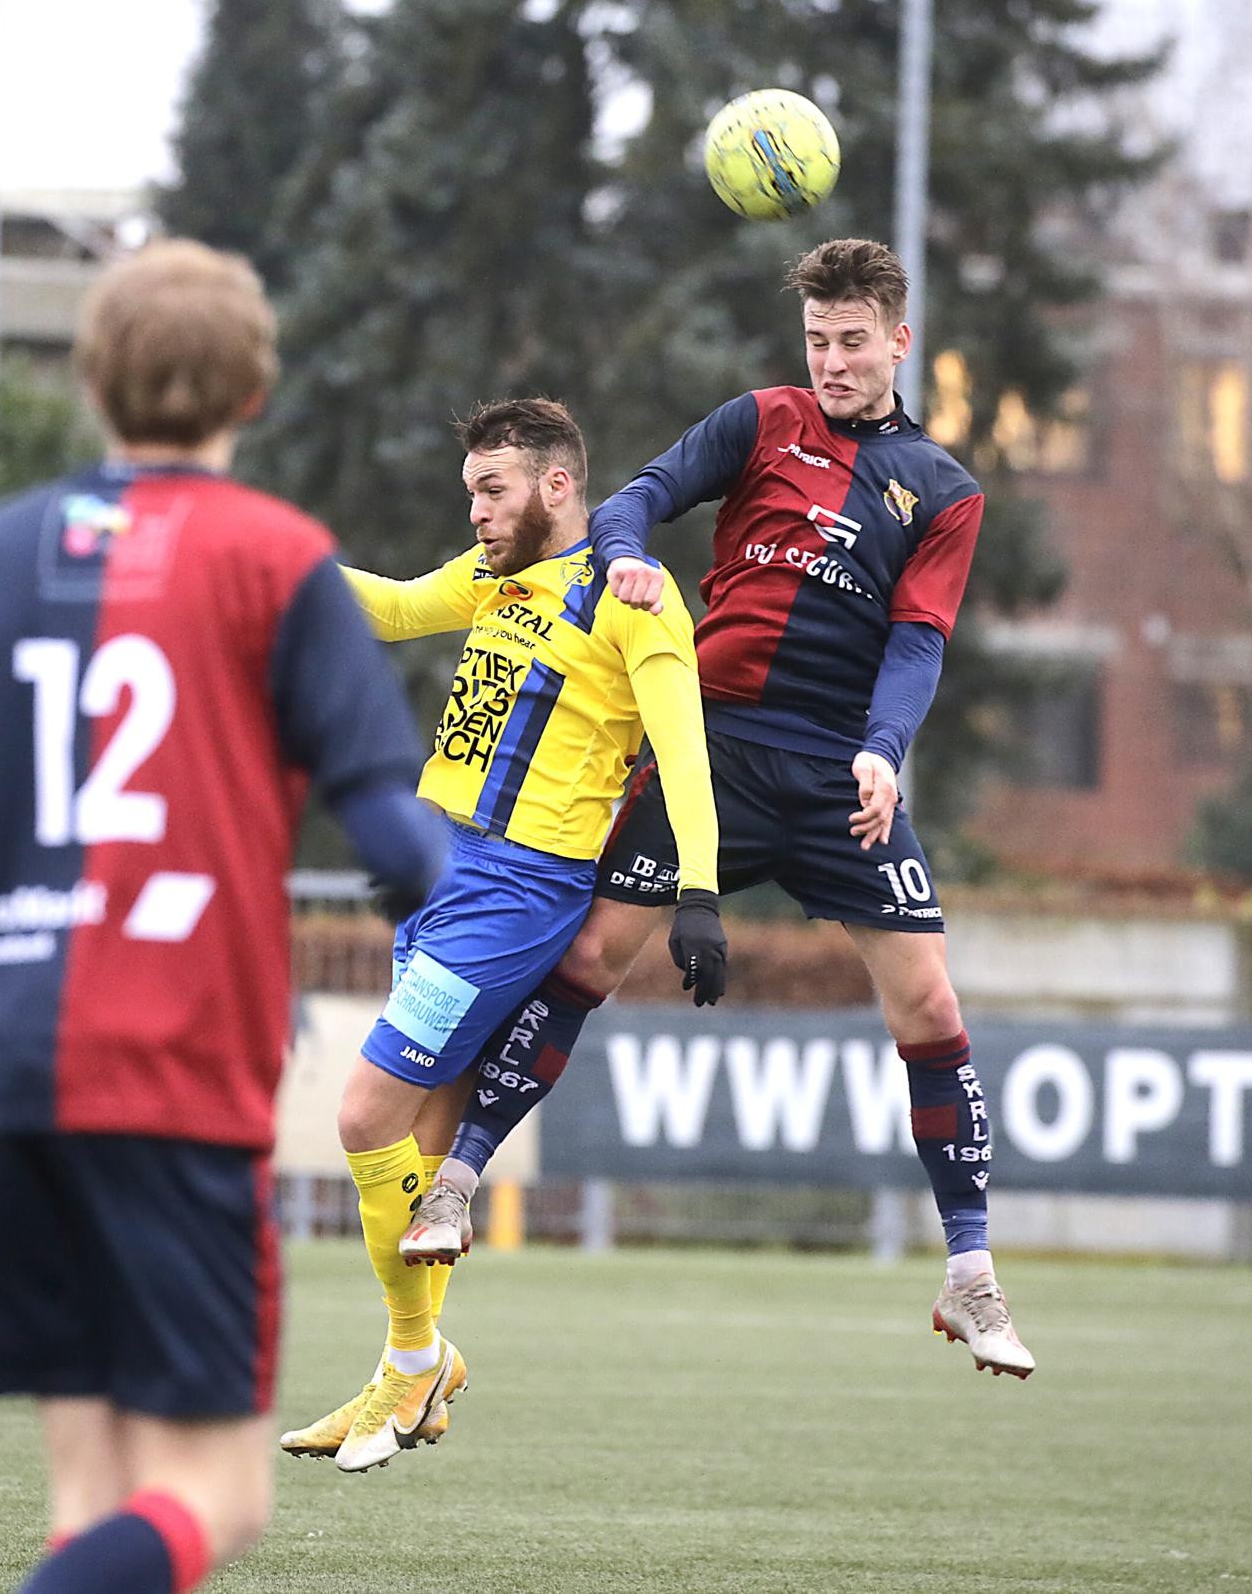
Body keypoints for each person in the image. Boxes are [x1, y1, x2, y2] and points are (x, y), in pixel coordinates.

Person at [0, 238, 442, 1594]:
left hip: (8, 1065)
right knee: (219, 1491)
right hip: (172, 1067)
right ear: (253, 391)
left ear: (90, 382)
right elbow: (389, 832)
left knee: (93, 1497)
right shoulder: (277, 557)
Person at [408, 238, 1035, 1379]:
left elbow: (917, 640)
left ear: (899, 339)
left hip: (842, 774)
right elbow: (640, 494)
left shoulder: (942, 489)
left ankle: (969, 1273)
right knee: (593, 956)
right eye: (816, 340)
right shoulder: (759, 421)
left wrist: (887, 752)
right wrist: (627, 557)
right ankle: (456, 1181)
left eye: (851, 341)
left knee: (931, 1002)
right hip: (716, 750)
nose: (832, 360)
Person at [279, 397, 728, 1475]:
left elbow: (685, 748)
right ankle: (407, 1366)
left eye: (492, 490)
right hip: (444, 872)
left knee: (362, 1113)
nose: (474, 510)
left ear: (557, 485)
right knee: (418, 1149)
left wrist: (700, 893)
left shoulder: (630, 593)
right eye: (469, 491)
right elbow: (385, 609)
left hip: (516, 893)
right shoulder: (495, 579)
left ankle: (417, 1355)